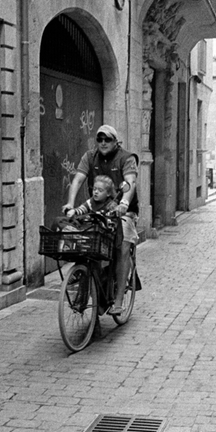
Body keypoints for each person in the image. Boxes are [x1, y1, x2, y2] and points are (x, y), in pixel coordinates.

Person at [63, 125, 138, 315]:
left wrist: (123, 205)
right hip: (98, 210)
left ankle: (119, 299)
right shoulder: (90, 156)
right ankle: (86, 282)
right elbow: (78, 179)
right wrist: (70, 204)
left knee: (122, 247)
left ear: (116, 142)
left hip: (122, 212)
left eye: (108, 139)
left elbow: (130, 182)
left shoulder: (126, 158)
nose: (103, 143)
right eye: (100, 139)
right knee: (85, 240)